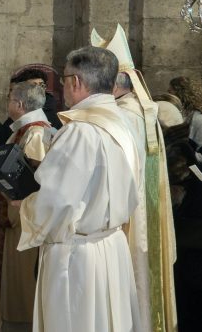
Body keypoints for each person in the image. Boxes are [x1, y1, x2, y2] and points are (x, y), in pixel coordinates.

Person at [17, 46, 142, 332]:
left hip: (78, 257)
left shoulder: (80, 130)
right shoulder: (124, 122)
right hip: (112, 247)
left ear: (76, 82)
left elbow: (57, 201)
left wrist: (25, 203)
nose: (62, 86)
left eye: (63, 79)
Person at [93, 24, 177, 331]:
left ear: (114, 85)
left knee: (133, 280)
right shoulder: (142, 112)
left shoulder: (122, 117)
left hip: (130, 215)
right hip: (146, 211)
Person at [0, 82, 55, 324]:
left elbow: (37, 180)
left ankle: (24, 323)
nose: (8, 103)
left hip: (25, 218)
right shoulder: (26, 130)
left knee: (24, 279)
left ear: (20, 105)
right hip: (17, 214)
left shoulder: (35, 133)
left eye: (10, 99)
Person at [168, 76, 202, 159]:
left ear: (180, 92)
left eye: (170, 91)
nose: (168, 94)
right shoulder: (180, 112)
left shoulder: (197, 117)